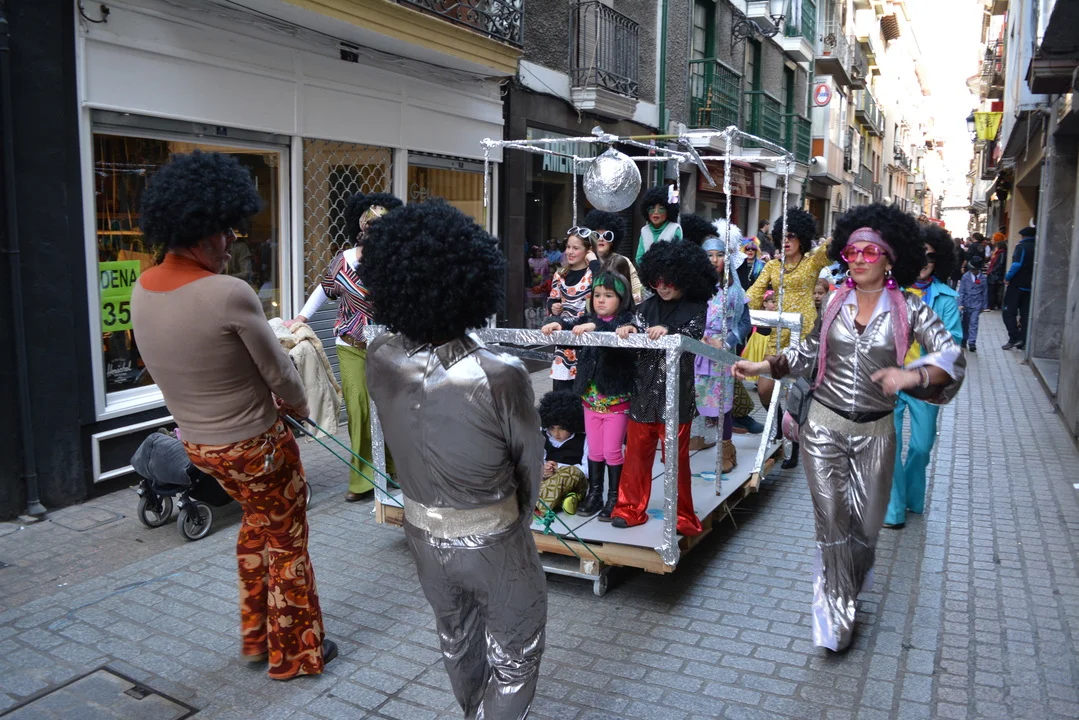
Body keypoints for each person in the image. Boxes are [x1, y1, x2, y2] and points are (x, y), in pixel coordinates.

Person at [131, 151, 334, 679]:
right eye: (225, 232)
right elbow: (279, 372)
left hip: (199, 446)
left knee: (255, 527)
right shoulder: (228, 293)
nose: (229, 243)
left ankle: (257, 637)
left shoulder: (142, 288)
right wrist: (300, 406)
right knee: (287, 539)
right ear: (201, 231)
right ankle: (295, 654)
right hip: (256, 445)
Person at [733, 202, 965, 652]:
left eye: (869, 251)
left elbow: (952, 359)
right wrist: (764, 365)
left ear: (890, 258)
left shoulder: (910, 309)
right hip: (824, 427)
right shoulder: (836, 301)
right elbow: (808, 351)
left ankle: (848, 586)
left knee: (863, 530)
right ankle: (836, 619)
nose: (858, 259)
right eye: (852, 251)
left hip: (877, 434)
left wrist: (912, 377)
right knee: (832, 523)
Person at [363, 200, 547, 718]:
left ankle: (471, 711)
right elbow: (528, 462)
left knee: (456, 638)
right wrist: (518, 516)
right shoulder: (500, 372)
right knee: (516, 654)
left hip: (421, 530)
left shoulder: (381, 356)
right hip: (494, 534)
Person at [288, 192, 402, 502]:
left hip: (388, 346)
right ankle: (363, 479)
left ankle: (391, 469)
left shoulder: (396, 263)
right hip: (350, 345)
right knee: (359, 408)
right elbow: (323, 290)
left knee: (388, 408)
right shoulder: (343, 261)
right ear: (362, 232)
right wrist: (301, 317)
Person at [611, 240, 719, 536]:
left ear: (684, 277)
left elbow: (692, 335)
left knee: (676, 461)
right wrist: (629, 331)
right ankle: (628, 509)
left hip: (677, 396)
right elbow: (635, 339)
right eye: (656, 281)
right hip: (643, 394)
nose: (662, 287)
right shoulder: (644, 308)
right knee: (635, 456)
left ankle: (682, 516)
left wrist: (669, 331)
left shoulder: (697, 308)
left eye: (668, 281)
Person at [541, 270, 639, 519]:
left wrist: (596, 326)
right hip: (589, 400)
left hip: (616, 401)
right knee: (594, 450)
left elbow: (616, 328)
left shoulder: (627, 321)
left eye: (608, 295)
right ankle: (595, 494)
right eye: (597, 295)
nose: (601, 300)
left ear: (622, 299)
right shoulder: (588, 318)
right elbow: (573, 325)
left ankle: (614, 498)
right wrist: (559, 324)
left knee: (612, 451)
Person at [884, 223, 963, 530]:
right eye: (919, 254)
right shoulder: (889, 292)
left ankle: (911, 496)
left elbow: (953, 342)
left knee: (921, 445)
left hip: (924, 382)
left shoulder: (946, 297)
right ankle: (893, 510)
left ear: (938, 259)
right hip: (890, 379)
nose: (924, 261)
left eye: (931, 256)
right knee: (888, 445)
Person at [746, 207, 830, 469]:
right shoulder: (772, 266)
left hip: (804, 336)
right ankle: (781, 430)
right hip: (778, 334)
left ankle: (794, 444)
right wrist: (740, 307)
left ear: (802, 237)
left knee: (797, 393)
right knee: (764, 390)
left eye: (791, 235)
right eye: (782, 236)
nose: (786, 241)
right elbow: (754, 293)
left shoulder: (812, 262)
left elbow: (831, 250)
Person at [693, 220, 752, 470]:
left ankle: (727, 449)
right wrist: (696, 337)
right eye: (709, 255)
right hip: (695, 350)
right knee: (691, 397)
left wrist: (726, 342)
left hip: (721, 353)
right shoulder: (693, 288)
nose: (715, 260)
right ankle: (696, 436)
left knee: (722, 404)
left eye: (719, 255)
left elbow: (745, 322)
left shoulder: (734, 291)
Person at [546, 229, 601, 390]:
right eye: (568, 247)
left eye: (575, 248)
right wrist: (553, 307)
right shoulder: (560, 274)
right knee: (562, 390)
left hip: (588, 337)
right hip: (565, 342)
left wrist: (594, 261)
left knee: (587, 390)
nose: (570, 251)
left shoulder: (594, 273)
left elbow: (606, 284)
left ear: (588, 250)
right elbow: (552, 299)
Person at [536, 390, 589, 516]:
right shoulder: (542, 435)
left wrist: (559, 467)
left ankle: (539, 504)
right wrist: (544, 468)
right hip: (547, 479)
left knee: (570, 473)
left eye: (562, 428)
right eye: (552, 428)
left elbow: (587, 470)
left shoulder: (584, 439)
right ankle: (565, 500)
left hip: (575, 480)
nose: (556, 433)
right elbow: (537, 459)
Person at [583, 209, 643, 302]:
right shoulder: (583, 259)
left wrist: (636, 296)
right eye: (596, 235)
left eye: (607, 236)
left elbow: (637, 289)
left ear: (613, 241)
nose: (601, 239)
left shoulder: (622, 260)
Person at [1002, 226, 1036, 350]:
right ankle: (1022, 340)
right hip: (1029, 286)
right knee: (1025, 314)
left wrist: (1007, 277)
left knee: (1008, 313)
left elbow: (1016, 264)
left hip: (1016, 285)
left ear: (1023, 236)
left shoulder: (1021, 247)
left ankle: (1013, 338)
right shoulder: (1037, 247)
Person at [635, 185, 682, 265]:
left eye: (661, 209)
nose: (656, 212)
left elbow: (677, 257)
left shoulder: (675, 229)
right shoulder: (644, 230)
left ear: (669, 211)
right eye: (652, 208)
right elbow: (639, 258)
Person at [740, 290, 777, 382]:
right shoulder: (757, 314)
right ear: (765, 304)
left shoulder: (778, 316)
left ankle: (762, 380)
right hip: (757, 341)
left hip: (769, 343)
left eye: (777, 302)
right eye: (773, 302)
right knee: (755, 359)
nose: (775, 304)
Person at [959, 254, 988, 353]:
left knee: (974, 323)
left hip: (977, 304)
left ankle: (972, 342)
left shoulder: (983, 278)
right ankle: (964, 339)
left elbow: (985, 292)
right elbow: (961, 291)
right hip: (966, 304)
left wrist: (984, 306)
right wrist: (960, 303)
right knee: (965, 323)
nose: (973, 271)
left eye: (975, 269)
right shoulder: (965, 277)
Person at [986, 235, 1007, 310]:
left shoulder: (1000, 253)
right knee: (994, 290)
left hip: (995, 275)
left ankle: (992, 305)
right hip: (995, 274)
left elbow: (999, 264)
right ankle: (994, 304)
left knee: (992, 290)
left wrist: (992, 271)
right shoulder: (999, 253)